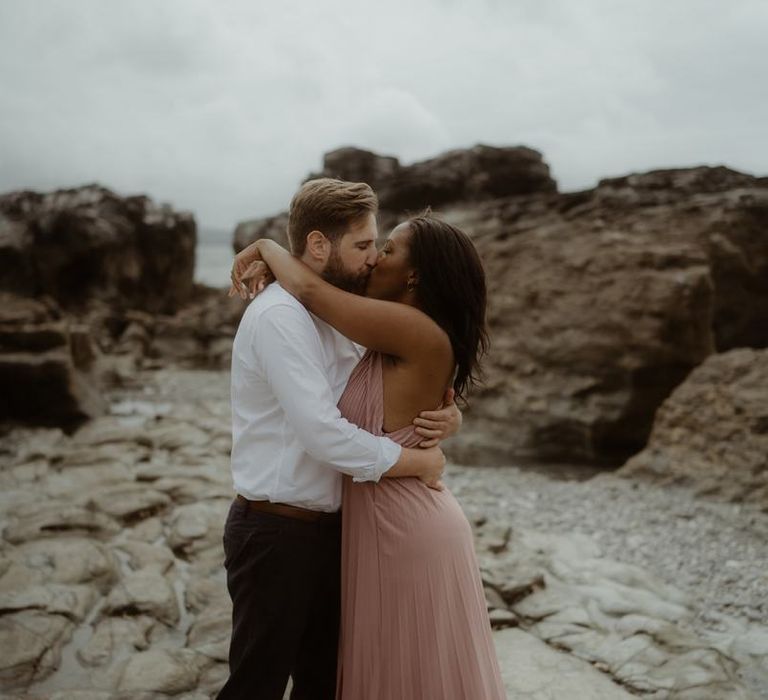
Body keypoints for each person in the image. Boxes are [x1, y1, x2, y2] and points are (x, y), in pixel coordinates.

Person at [234, 213, 506, 699]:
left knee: (406, 674)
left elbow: (314, 293)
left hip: (402, 525)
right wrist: (442, 429)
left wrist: (267, 249)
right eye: (369, 246)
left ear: (413, 275)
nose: (375, 258)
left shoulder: (407, 326)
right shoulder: (383, 328)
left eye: (387, 250)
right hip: (377, 520)